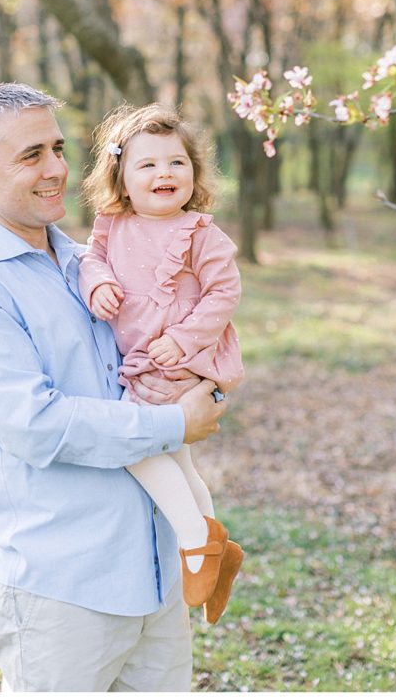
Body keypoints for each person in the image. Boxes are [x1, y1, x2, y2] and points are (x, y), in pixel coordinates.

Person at [0, 82, 229, 693]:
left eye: (58, 148)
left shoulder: (95, 263)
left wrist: (201, 380)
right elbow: (37, 426)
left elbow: (173, 352)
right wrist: (175, 424)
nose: (58, 168)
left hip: (158, 576)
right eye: (31, 155)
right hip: (63, 590)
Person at [79, 103, 245, 624]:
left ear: (193, 173)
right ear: (122, 180)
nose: (164, 174)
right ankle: (216, 548)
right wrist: (98, 283)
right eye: (147, 165)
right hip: (143, 354)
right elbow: (90, 260)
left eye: (176, 163)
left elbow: (224, 293)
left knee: (138, 447)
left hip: (182, 356)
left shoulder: (201, 233)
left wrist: (183, 337)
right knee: (175, 457)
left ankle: (196, 544)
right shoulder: (112, 225)